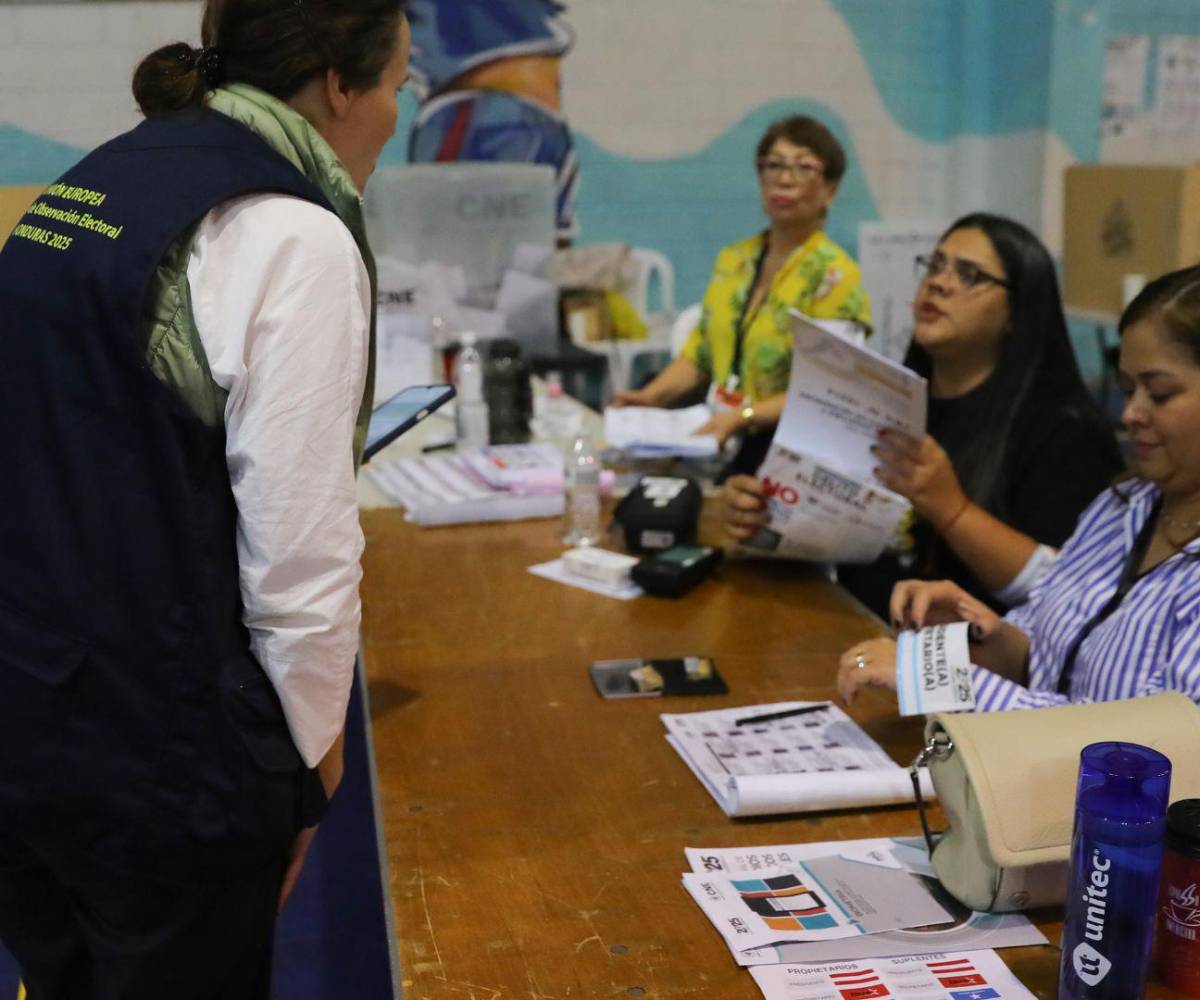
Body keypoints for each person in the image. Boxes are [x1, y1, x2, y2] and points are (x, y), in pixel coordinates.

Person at [0, 0, 409, 995]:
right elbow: (298, 556)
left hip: (29, 710)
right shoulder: (289, 234)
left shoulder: (99, 177)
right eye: (402, 84)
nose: (398, 113)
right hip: (163, 759)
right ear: (340, 85)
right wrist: (309, 775)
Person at [724, 213, 1122, 618]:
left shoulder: (1065, 431)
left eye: (970, 275)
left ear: (1018, 313)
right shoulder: (888, 401)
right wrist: (766, 514)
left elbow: (1066, 591)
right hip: (855, 629)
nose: (938, 282)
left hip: (966, 667)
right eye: (934, 265)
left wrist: (951, 509)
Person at [839, 265, 1200, 711]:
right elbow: (1044, 660)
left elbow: (1151, 744)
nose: (1131, 414)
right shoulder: (1123, 506)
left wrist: (932, 678)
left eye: (1159, 394)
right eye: (1128, 391)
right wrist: (971, 636)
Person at [612, 114, 870, 471]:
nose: (784, 179)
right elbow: (700, 354)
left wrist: (744, 416)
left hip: (787, 450)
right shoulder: (735, 259)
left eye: (804, 168)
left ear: (830, 189)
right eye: (774, 165)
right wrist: (650, 396)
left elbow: (828, 390)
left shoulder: (836, 276)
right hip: (720, 434)